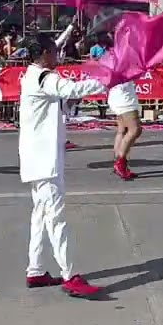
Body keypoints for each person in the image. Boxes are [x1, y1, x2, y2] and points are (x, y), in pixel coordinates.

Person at [18, 34, 106, 298]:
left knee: (40, 215)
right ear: (45, 53)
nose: (58, 55)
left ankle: (35, 270)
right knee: (55, 217)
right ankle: (70, 275)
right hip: (44, 161)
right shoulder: (44, 79)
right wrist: (107, 80)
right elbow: (72, 90)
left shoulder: (31, 75)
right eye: (54, 51)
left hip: (37, 158)